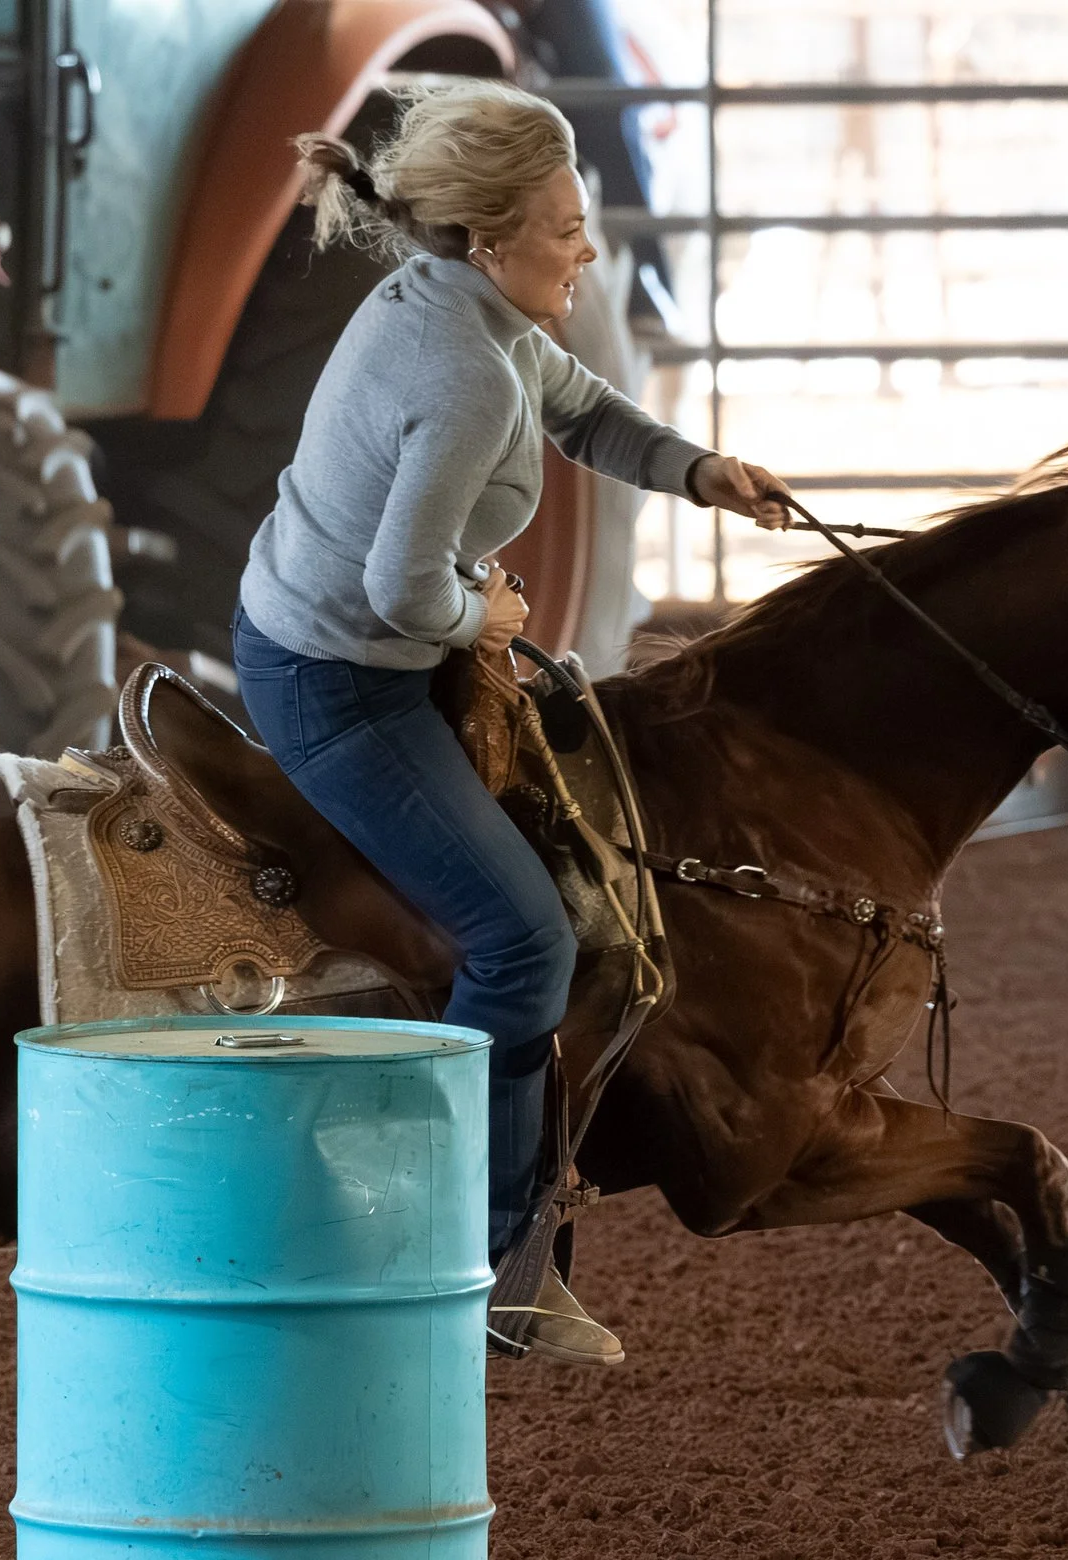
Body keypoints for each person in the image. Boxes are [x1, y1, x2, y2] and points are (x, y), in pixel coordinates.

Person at [230, 78, 791, 1365]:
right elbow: (401, 588)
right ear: (490, 241)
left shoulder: (458, 305)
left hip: (316, 630)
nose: (586, 251)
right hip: (339, 681)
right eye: (567, 229)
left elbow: (581, 405)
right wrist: (477, 617)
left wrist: (699, 471)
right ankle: (487, 1259)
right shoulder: (468, 374)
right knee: (522, 939)